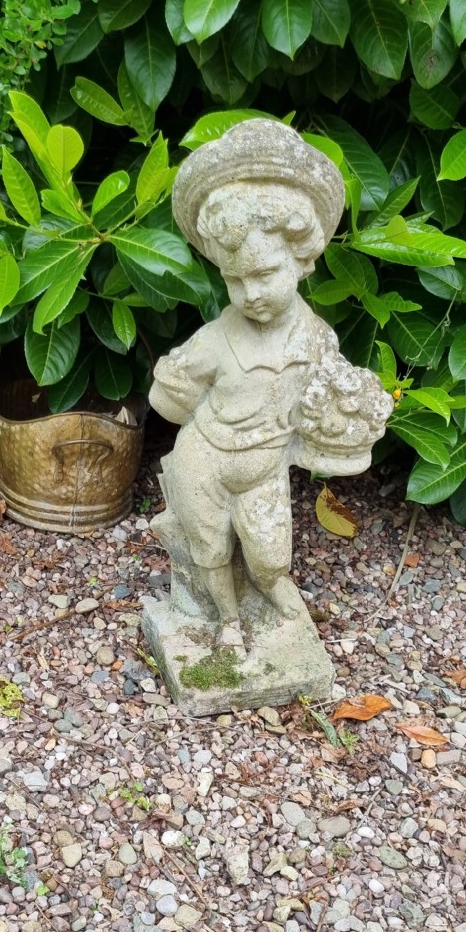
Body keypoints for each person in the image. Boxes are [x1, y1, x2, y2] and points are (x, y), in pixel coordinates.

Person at [150, 120, 391, 658]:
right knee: (209, 548)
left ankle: (270, 587)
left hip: (262, 466)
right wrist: (170, 384)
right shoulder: (214, 340)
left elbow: (329, 409)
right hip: (204, 460)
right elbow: (166, 406)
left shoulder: (315, 340)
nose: (250, 293)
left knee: (269, 554)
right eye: (235, 280)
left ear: (301, 261)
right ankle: (227, 618)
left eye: (264, 274)